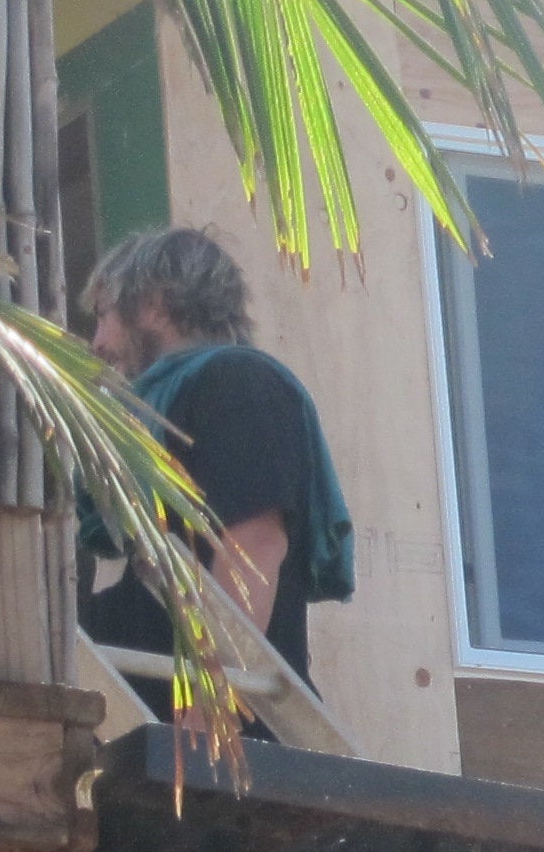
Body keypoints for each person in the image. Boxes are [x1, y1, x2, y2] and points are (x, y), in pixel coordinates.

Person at [78, 229, 354, 690]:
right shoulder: (168, 406)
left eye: (104, 316)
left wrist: (212, 710)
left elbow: (255, 547)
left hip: (212, 730)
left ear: (154, 305)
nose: (97, 343)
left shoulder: (240, 385)